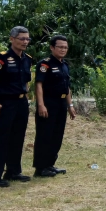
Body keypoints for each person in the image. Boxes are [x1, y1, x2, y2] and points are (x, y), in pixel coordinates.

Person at [0, 26, 34, 187]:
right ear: (12, 39)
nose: (25, 42)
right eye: (22, 38)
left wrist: (26, 96)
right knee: (0, 139)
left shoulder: (27, 58)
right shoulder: (2, 58)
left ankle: (13, 171)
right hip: (4, 102)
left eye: (27, 39)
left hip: (21, 102)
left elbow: (26, 80)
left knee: (17, 138)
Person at [33, 34, 76, 178]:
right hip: (48, 103)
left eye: (65, 47)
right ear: (52, 47)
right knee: (45, 135)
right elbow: (38, 85)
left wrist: (70, 105)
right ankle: (40, 168)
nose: (63, 50)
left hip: (61, 103)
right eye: (60, 47)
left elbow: (67, 87)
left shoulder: (64, 65)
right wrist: (41, 104)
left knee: (57, 135)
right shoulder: (45, 64)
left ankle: (49, 164)